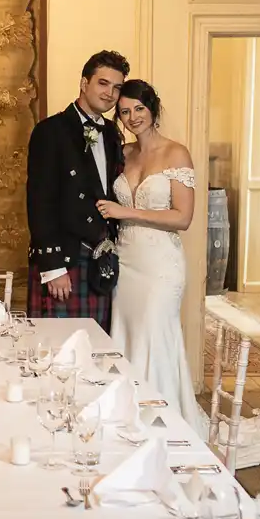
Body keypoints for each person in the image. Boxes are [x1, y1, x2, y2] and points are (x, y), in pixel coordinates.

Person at [98, 79, 204, 430]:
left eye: (138, 109)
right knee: (126, 335)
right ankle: (126, 421)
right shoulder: (124, 153)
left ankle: (162, 424)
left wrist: (126, 212)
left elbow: (182, 218)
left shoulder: (176, 153)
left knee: (155, 337)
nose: (132, 117)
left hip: (160, 266)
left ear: (152, 109)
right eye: (124, 111)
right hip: (126, 264)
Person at [26, 50, 128, 331]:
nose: (109, 94)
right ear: (84, 83)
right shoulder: (50, 131)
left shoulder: (111, 133)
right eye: (103, 83)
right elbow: (40, 201)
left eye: (117, 88)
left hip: (99, 260)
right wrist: (53, 266)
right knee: (58, 349)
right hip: (65, 259)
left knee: (94, 349)